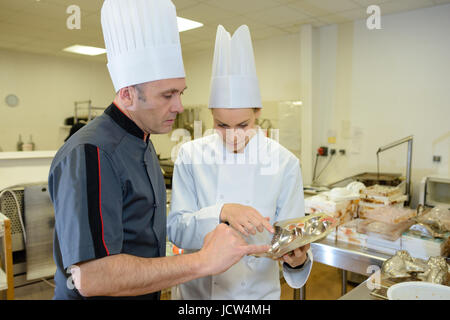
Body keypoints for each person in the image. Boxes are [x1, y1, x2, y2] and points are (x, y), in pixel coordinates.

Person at [48, 0, 268, 300]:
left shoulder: (144, 142)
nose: (178, 106)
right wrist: (201, 261)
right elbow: (92, 276)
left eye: (180, 93)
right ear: (127, 94)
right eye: (167, 95)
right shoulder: (91, 152)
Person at [168, 25, 313, 300]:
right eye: (222, 125)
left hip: (256, 297)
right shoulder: (190, 156)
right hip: (196, 296)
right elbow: (176, 229)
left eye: (243, 124)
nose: (233, 135)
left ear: (257, 112)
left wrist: (298, 259)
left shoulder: (284, 163)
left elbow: (292, 240)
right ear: (211, 115)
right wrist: (222, 211)